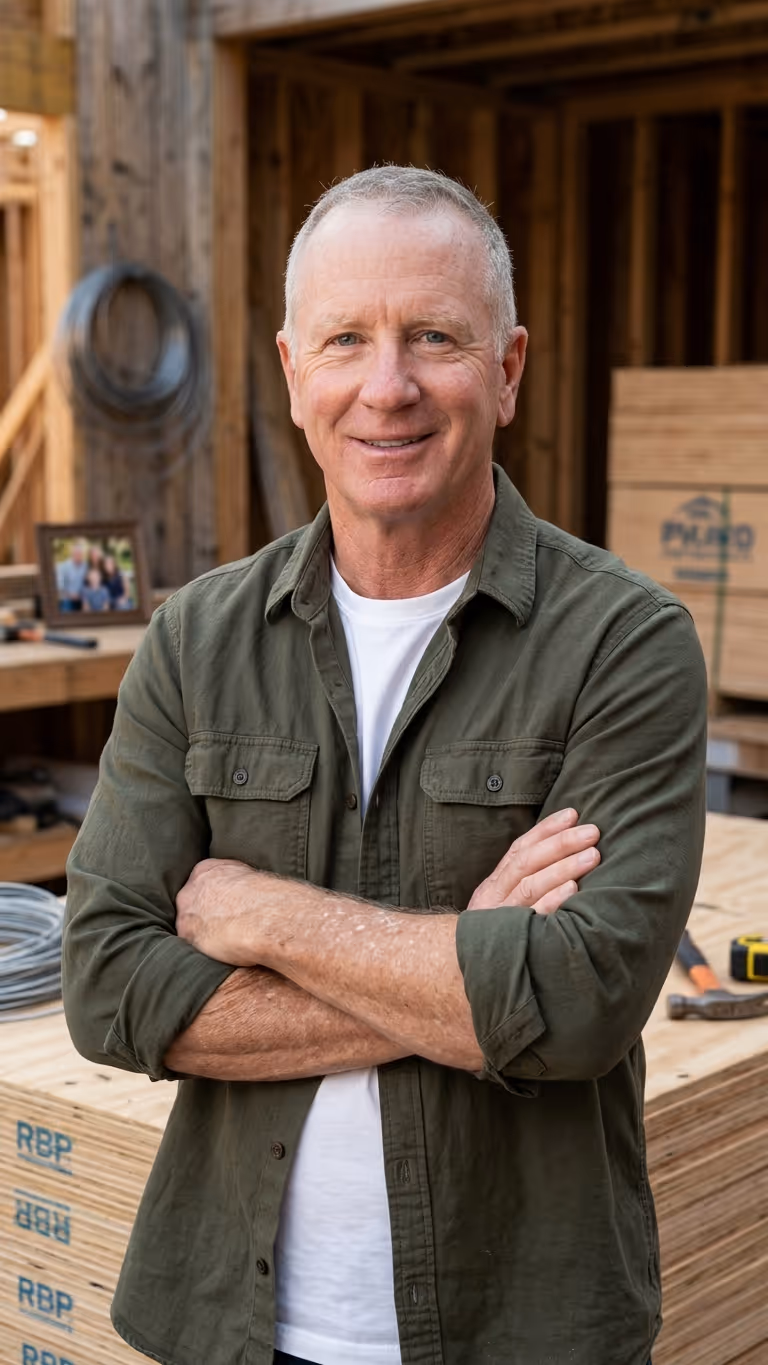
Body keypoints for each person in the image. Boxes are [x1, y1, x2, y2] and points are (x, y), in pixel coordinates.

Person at [63, 167, 706, 1365]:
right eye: (347, 339)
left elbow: (580, 1005)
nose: (388, 386)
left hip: (523, 1326)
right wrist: (469, 966)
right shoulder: (196, 641)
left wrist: (260, 912)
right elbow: (106, 988)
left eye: (434, 337)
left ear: (507, 369)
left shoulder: (625, 641)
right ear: (294, 371)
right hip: (231, 1325)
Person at [55, 539, 87, 610]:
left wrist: (82, 595)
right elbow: (60, 587)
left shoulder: (86, 566)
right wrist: (70, 595)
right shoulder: (63, 567)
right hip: (68, 598)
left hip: (83, 598)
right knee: (66, 607)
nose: (78, 555)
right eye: (76, 553)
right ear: (72, 554)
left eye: (80, 554)